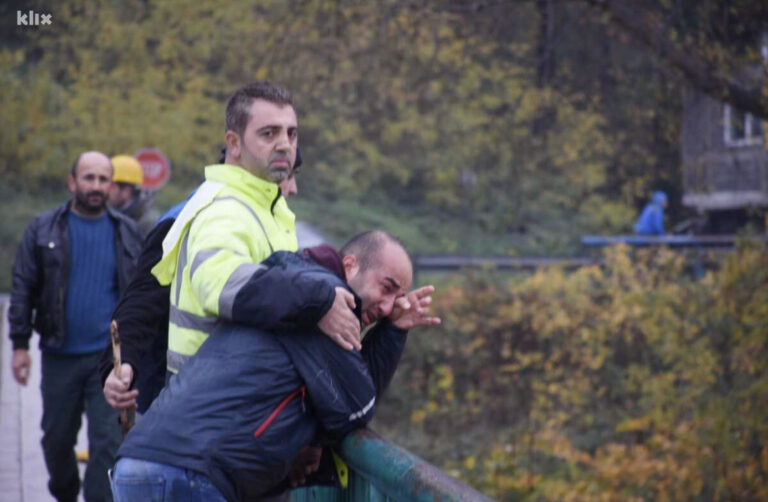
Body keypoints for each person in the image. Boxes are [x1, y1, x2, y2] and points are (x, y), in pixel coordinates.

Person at [110, 231, 440, 501]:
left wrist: (308, 444)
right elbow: (356, 406)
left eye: (396, 300)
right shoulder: (326, 301)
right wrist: (393, 332)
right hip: (190, 475)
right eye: (387, 288)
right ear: (350, 266)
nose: (386, 307)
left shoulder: (288, 289)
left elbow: (335, 389)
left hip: (139, 463)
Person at [150, 81, 360, 379]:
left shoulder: (265, 205)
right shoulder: (224, 208)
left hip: (231, 387)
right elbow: (223, 284)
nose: (285, 144)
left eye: (291, 133)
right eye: (268, 133)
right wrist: (316, 301)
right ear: (233, 143)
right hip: (211, 398)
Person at [100, 155, 302, 414]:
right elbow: (142, 300)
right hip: (173, 400)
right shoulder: (188, 218)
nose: (293, 189)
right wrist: (121, 364)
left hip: (239, 395)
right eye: (287, 177)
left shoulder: (271, 224)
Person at [8, 151, 142, 502]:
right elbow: (23, 286)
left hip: (109, 361)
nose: (96, 186)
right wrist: (19, 344)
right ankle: (65, 494)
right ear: (73, 182)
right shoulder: (43, 228)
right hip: (59, 355)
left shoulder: (127, 232)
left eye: (103, 179)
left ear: (111, 185)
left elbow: (141, 295)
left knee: (108, 443)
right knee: (56, 440)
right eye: (89, 178)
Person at [108, 154, 160, 237]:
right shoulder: (109, 214)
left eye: (112, 186)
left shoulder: (148, 222)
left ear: (126, 190)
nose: (107, 190)